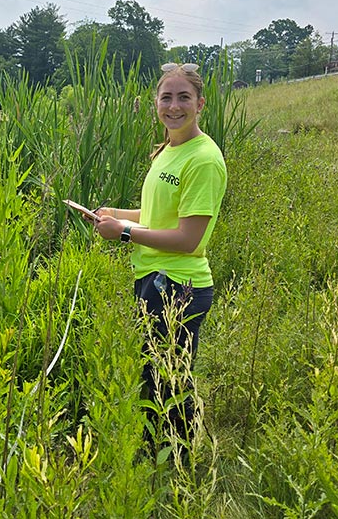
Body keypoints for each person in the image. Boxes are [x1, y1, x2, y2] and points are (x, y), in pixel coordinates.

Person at [93, 62, 227, 445]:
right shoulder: (168, 149)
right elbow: (157, 218)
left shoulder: (203, 159)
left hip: (179, 287)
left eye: (183, 97)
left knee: (171, 383)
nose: (174, 106)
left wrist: (124, 234)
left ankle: (182, 464)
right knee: (154, 377)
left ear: (200, 104)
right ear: (155, 103)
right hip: (153, 279)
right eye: (166, 97)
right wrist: (115, 215)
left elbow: (189, 239)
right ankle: (158, 459)